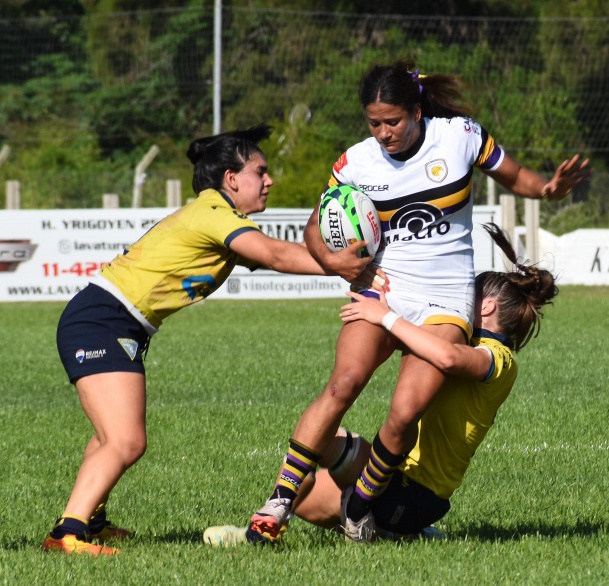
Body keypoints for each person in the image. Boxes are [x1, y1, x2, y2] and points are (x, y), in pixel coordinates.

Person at [236, 59, 590, 544]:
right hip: (384, 291)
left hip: (446, 302)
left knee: (404, 414)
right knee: (342, 386)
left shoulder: (459, 136)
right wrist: (331, 260)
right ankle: (277, 501)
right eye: (374, 123)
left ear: (417, 111)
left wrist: (549, 189)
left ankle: (360, 509)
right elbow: (315, 230)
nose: (383, 133)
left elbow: (520, 178)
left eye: (393, 121)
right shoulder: (356, 162)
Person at [43, 124, 376, 556]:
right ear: (231, 178)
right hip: (103, 319)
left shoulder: (221, 218)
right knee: (126, 440)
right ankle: (68, 534)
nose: (269, 180)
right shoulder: (213, 212)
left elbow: (281, 258)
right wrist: (340, 265)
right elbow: (275, 253)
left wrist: (344, 268)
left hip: (112, 321)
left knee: (112, 436)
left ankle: (90, 519)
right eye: (261, 171)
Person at [204, 224, 558, 544]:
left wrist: (385, 317)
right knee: (308, 500)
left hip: (416, 493)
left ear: (487, 307)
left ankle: (355, 521)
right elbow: (428, 342)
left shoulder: (499, 359)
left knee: (327, 440)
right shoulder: (474, 345)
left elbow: (448, 357)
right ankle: (387, 529)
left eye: (468, 295)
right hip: (402, 485)